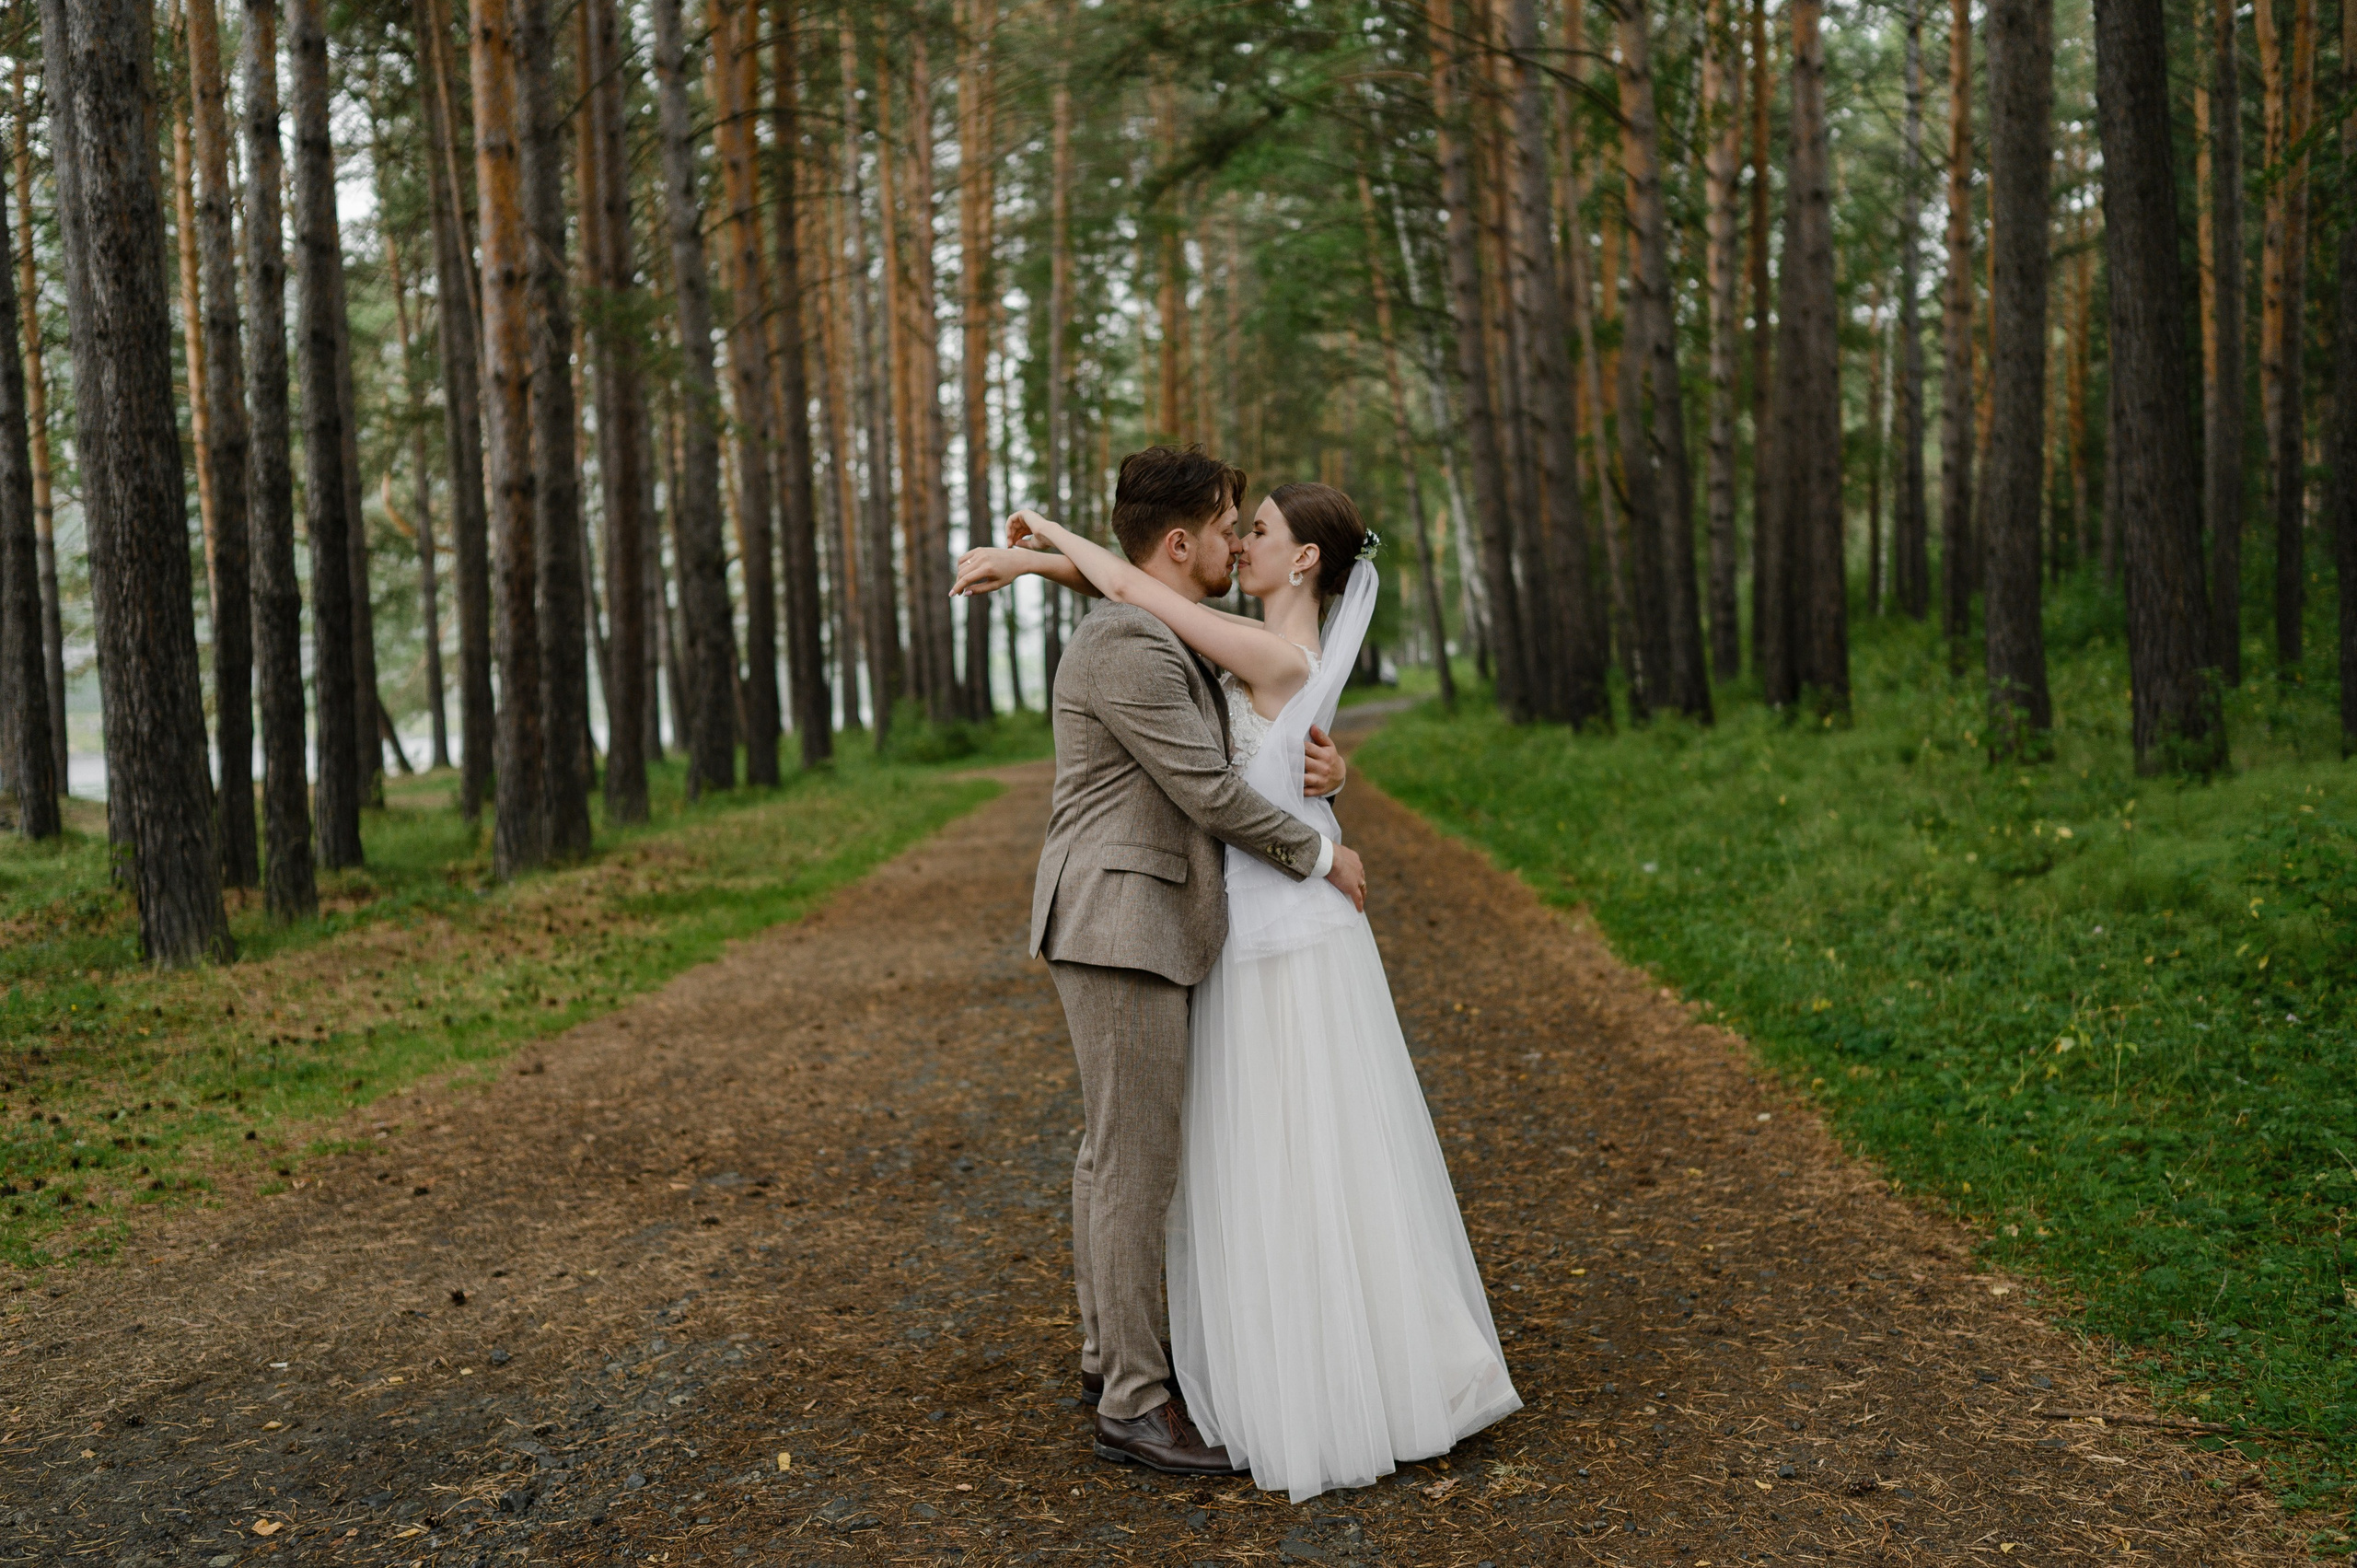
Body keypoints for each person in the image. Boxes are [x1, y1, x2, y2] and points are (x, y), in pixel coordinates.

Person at [956, 459, 1520, 1503]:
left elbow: (1150, 603)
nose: (1238, 541)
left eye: (1254, 528)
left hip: (1233, 925)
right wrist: (1317, 845)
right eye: (1228, 526)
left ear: (1303, 557)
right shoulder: (1141, 632)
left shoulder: (1222, 635)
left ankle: (1143, 1364)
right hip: (1136, 914)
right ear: (1184, 544)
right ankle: (1127, 1389)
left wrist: (1034, 554)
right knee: (1140, 1153)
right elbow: (1204, 761)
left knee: (1244, 1142)